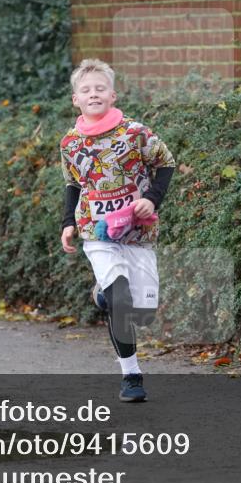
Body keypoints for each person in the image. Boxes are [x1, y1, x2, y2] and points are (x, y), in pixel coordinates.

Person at [58, 59, 176, 402]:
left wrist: (152, 200)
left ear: (112, 94)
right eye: (85, 90)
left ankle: (100, 295)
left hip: (138, 234)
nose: (93, 94)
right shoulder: (70, 143)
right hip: (97, 234)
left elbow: (166, 163)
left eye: (99, 88)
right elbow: (72, 184)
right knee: (120, 298)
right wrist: (68, 223)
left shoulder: (135, 133)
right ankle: (131, 376)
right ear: (75, 99)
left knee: (143, 311)